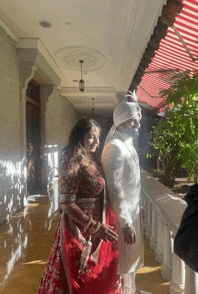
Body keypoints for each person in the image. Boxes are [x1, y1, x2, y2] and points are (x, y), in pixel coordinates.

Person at [38, 117, 122, 294]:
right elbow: (67, 203)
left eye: (98, 137)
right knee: (76, 275)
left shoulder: (91, 159)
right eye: (91, 136)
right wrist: (95, 226)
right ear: (80, 136)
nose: (97, 142)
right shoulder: (71, 158)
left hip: (97, 230)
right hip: (79, 229)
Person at [101, 91, 151, 294]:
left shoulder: (126, 143)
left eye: (137, 120)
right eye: (132, 121)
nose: (137, 125)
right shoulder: (114, 148)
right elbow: (115, 190)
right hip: (122, 220)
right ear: (120, 123)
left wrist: (137, 211)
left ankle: (132, 291)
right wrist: (126, 223)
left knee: (132, 260)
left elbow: (131, 183)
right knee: (124, 262)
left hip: (132, 214)